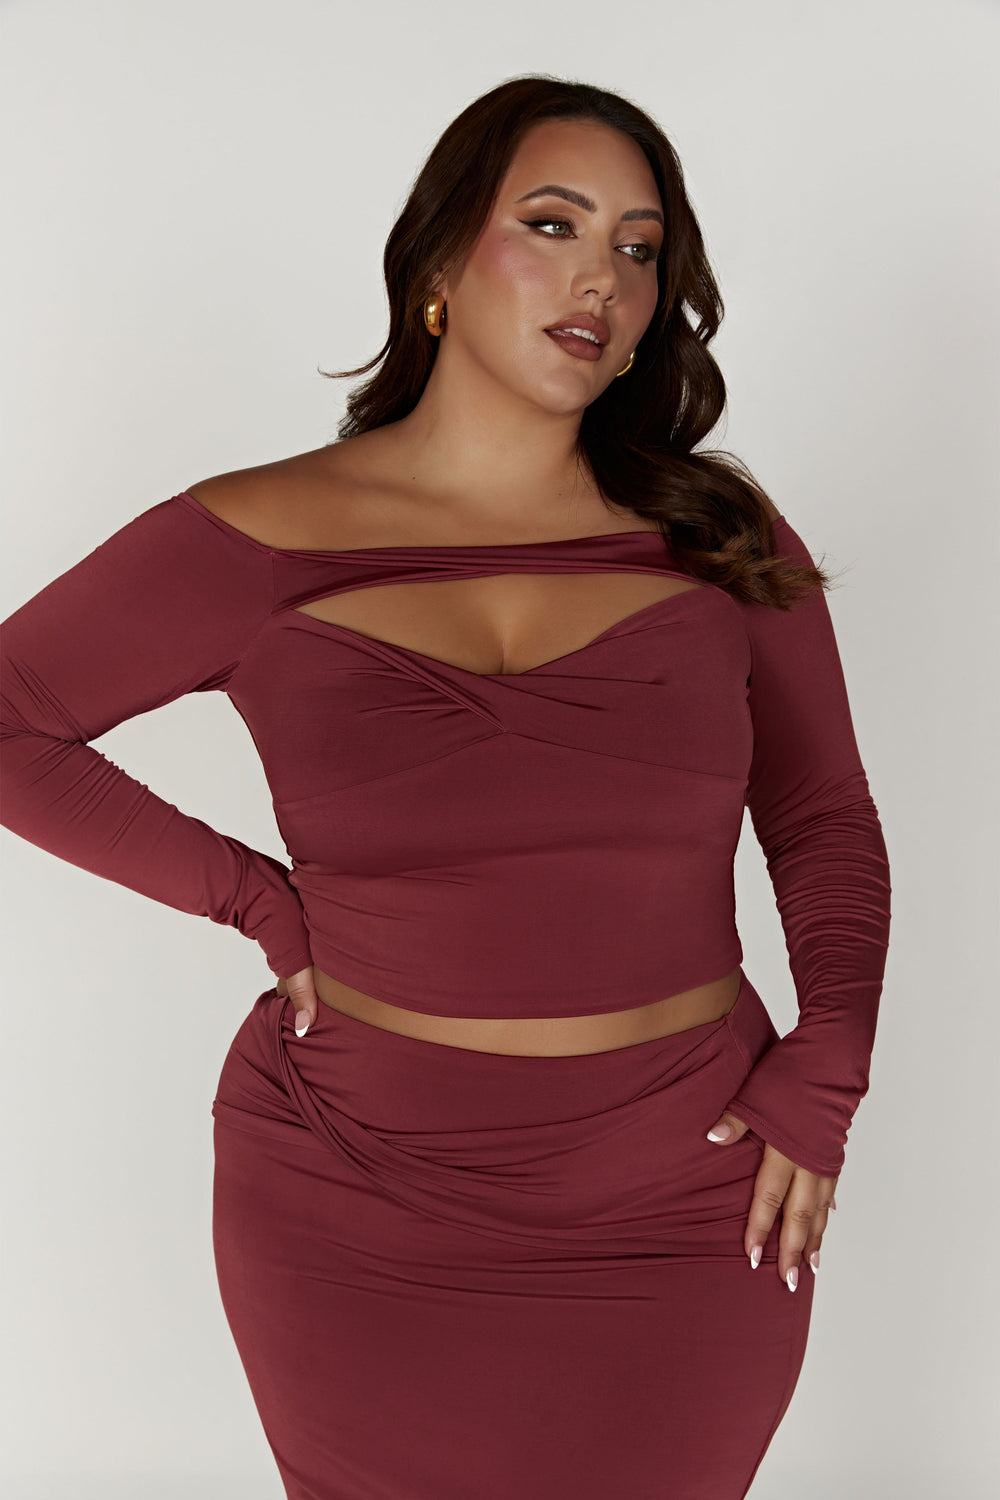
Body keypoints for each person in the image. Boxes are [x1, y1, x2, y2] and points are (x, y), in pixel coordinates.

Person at [0, 75, 891, 1500]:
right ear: (438, 261)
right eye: (554, 224)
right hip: (355, 1188)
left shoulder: (716, 535)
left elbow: (821, 813)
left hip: (687, 1184)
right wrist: (253, 901)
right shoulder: (259, 533)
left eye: (641, 248)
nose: (603, 276)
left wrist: (829, 1065)